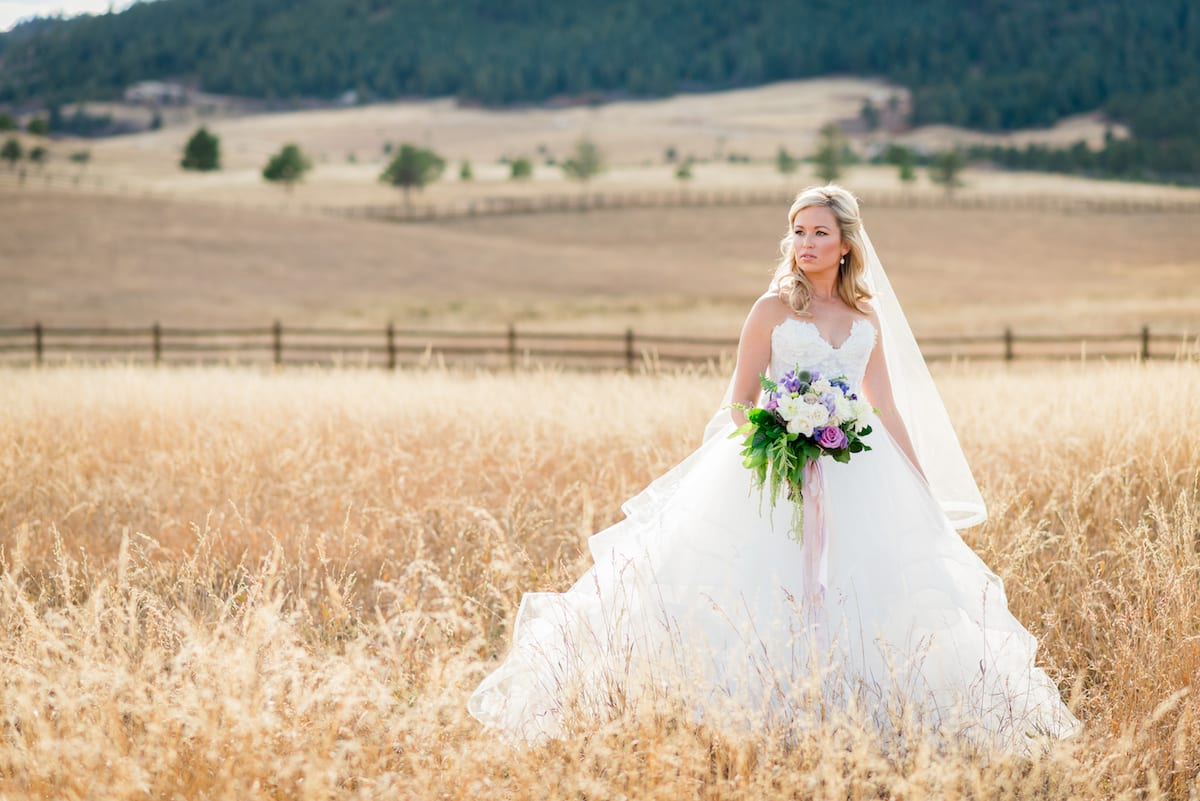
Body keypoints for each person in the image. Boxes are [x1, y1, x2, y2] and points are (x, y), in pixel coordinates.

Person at [468, 185, 1080, 751]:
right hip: (773, 466)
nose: (806, 244)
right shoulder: (770, 309)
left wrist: (920, 485)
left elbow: (885, 404)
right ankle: (748, 717)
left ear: (846, 246)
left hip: (855, 467)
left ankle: (862, 719)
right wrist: (784, 437)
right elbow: (738, 402)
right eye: (797, 231)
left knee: (865, 590)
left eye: (819, 233)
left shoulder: (866, 317)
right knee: (753, 587)